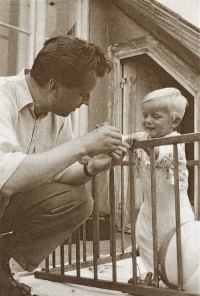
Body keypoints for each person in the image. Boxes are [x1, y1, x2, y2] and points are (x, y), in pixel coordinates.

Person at [0, 35, 129, 296]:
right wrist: (83, 145)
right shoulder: (3, 95)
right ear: (54, 86)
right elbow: (7, 177)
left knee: (78, 200)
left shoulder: (57, 114)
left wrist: (93, 167)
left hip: (6, 204)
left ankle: (0, 260)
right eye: (83, 93)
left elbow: (59, 174)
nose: (86, 102)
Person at [125, 88, 195, 288]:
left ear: (174, 122)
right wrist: (123, 139)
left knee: (177, 244)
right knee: (144, 237)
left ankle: (177, 276)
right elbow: (128, 140)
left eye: (156, 116)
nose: (148, 121)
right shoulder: (144, 138)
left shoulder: (175, 142)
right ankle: (151, 274)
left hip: (174, 210)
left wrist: (148, 148)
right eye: (145, 115)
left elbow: (161, 155)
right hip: (150, 206)